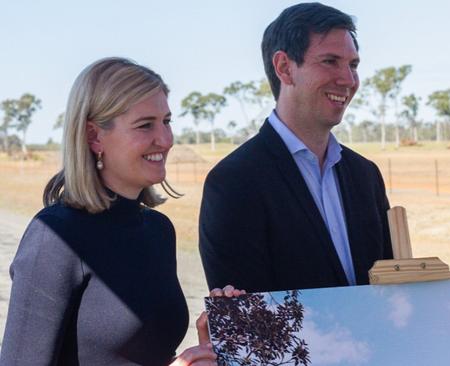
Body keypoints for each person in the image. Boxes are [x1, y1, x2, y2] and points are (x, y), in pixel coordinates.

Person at [0, 57, 217, 366]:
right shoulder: (56, 237)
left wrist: (202, 352)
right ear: (94, 136)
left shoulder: (158, 230)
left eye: (167, 121)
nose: (166, 139)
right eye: (145, 125)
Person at [199, 2, 393, 293]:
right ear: (284, 68)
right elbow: (248, 321)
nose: (348, 80)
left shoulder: (365, 175)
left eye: (353, 65)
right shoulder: (233, 182)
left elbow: (392, 293)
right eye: (330, 61)